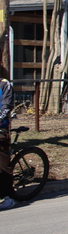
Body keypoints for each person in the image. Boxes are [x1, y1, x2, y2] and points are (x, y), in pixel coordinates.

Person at [0, 76, 15, 211]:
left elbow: (6, 107)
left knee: (3, 164)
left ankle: (8, 197)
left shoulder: (4, 85)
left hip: (1, 128)